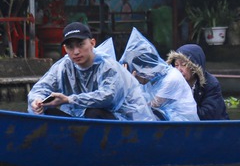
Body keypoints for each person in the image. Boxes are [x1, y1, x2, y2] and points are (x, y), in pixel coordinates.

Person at [27, 22, 157, 121]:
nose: (76, 51)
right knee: (45, 113)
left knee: (93, 112)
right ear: (65, 49)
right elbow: (41, 87)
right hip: (82, 121)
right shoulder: (63, 66)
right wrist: (37, 101)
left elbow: (108, 97)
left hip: (121, 120)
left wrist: (69, 99)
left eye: (80, 44)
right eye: (70, 47)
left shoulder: (107, 65)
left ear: (92, 43)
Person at [120, 28, 199, 121]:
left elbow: (149, 107)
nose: (137, 77)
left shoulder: (171, 78)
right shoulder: (154, 79)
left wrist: (131, 85)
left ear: (147, 69)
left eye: (138, 73)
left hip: (183, 126)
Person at [166, 43, 229, 120]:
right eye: (176, 65)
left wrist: (181, 105)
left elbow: (207, 115)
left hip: (213, 129)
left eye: (183, 65)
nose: (179, 70)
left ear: (194, 67)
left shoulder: (211, 84)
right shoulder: (172, 83)